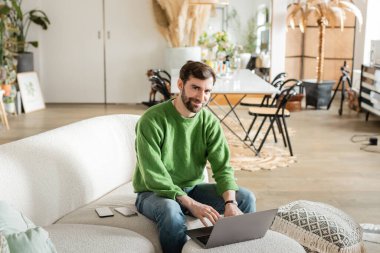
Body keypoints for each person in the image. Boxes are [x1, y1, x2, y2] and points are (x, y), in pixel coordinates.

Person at [133, 61, 256, 253]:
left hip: (192, 188)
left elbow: (223, 167)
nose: (201, 97)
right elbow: (153, 175)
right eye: (195, 88)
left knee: (245, 198)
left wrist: (230, 203)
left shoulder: (209, 122)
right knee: (170, 211)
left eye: (207, 91)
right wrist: (191, 204)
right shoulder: (151, 120)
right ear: (180, 85)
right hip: (154, 193)